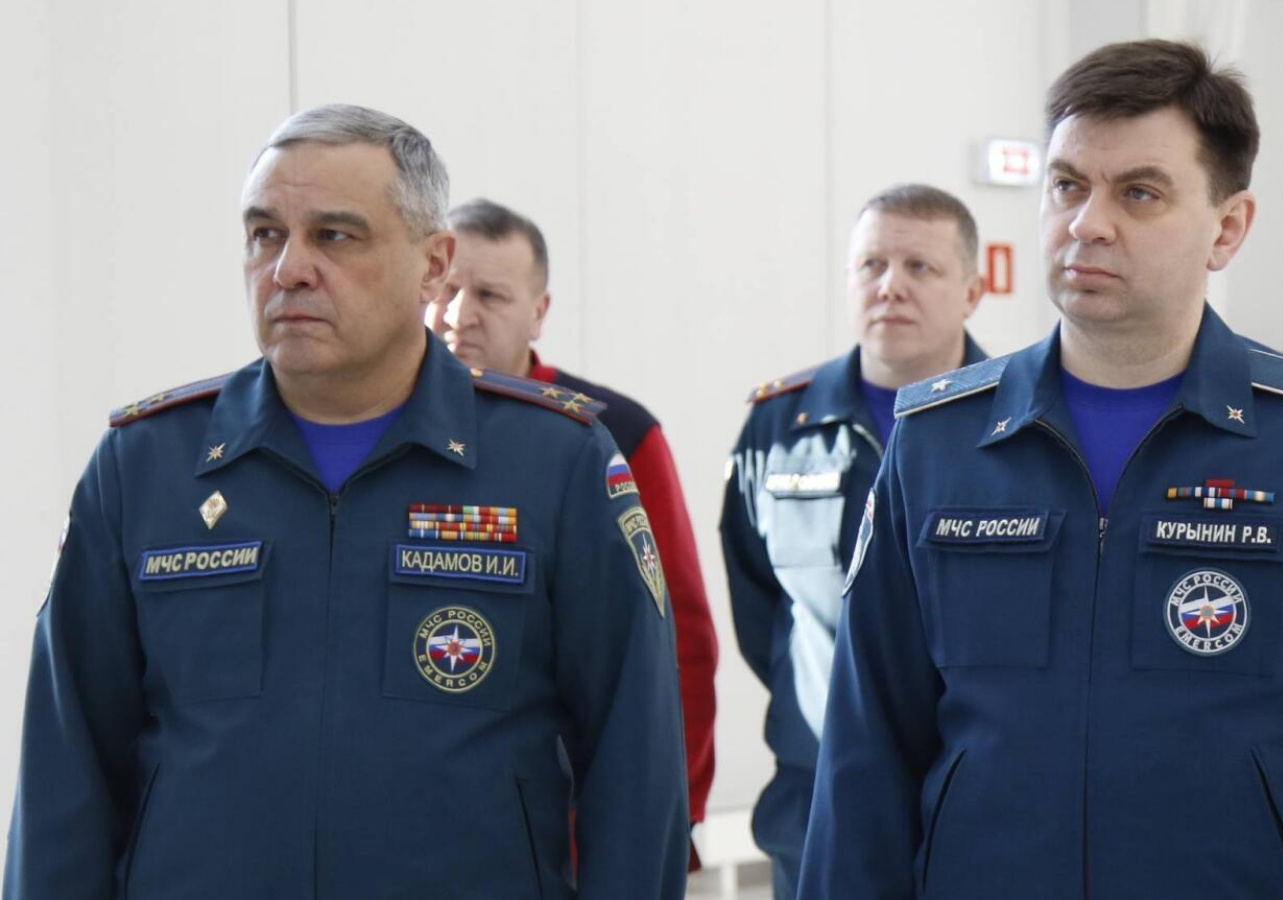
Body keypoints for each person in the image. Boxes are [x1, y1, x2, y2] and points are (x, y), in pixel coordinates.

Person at [796, 40, 1283, 900]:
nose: (1087, 223)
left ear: (1227, 228)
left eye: (1138, 192)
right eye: (1067, 186)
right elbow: (864, 756)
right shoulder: (940, 444)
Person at [4, 104, 688, 900]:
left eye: (334, 235)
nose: (288, 268)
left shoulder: (554, 463)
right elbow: (65, 773)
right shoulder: (146, 467)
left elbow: (635, 771)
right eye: (265, 234)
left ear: (433, 265)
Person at [719, 183, 985, 899]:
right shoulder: (780, 426)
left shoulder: (1016, 424)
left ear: (972, 291)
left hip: (974, 791)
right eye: (871, 264)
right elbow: (759, 603)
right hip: (818, 796)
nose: (890, 285)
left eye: (920, 266)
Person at [425, 198, 718, 839]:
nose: (458, 315)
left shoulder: (614, 435)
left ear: (539, 313)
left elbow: (682, 648)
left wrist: (667, 825)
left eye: (490, 295)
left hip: (562, 835)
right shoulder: (374, 430)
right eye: (446, 289)